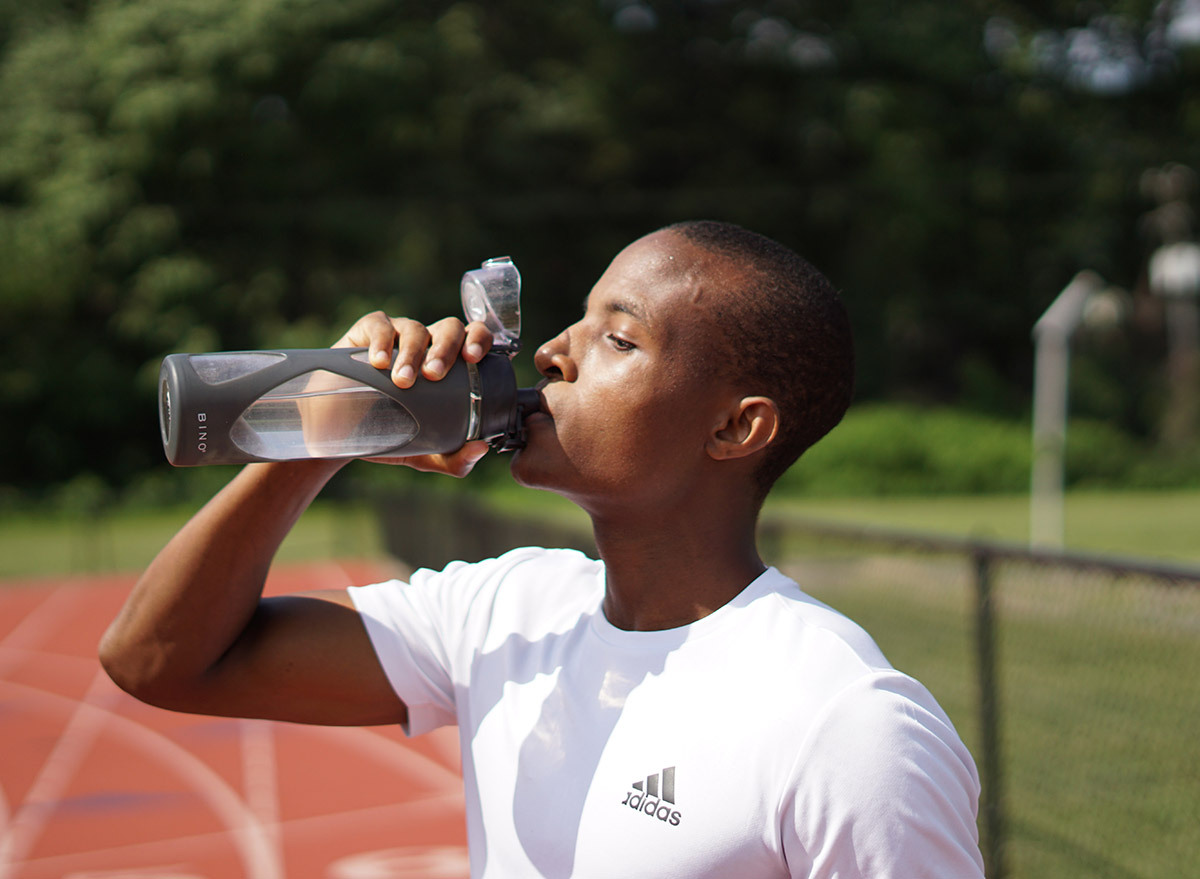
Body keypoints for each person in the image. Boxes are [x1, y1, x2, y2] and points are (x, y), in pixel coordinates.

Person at [100, 221, 986, 878]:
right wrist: (327, 425)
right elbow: (160, 659)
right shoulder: (508, 608)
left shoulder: (846, 722)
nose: (555, 353)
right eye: (575, 322)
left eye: (619, 337)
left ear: (734, 426)